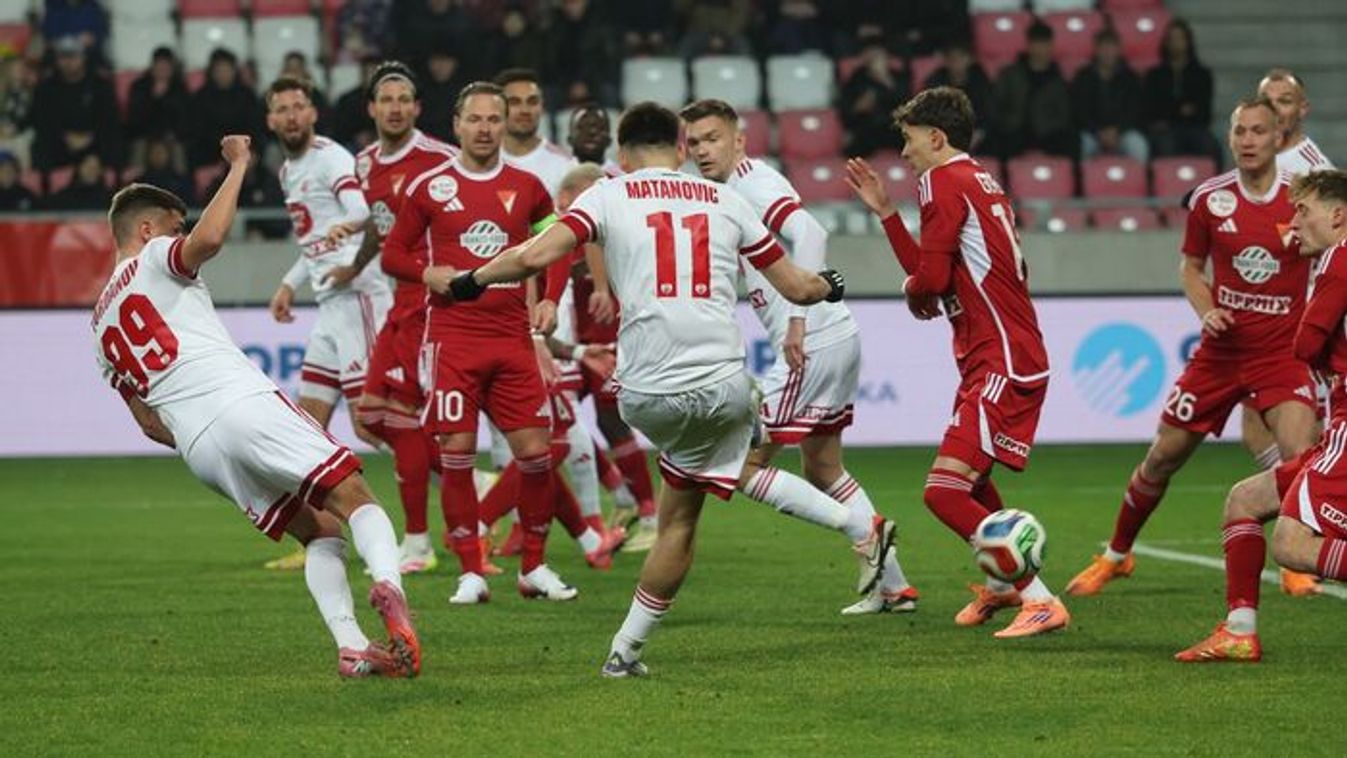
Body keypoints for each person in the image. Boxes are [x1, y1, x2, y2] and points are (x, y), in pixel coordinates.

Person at [453, 102, 884, 677]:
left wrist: (472, 279)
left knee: (683, 508)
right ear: (681, 150)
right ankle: (859, 526)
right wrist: (831, 283)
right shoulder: (728, 200)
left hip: (647, 392)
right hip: (722, 383)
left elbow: (533, 256)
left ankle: (624, 653)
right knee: (713, 485)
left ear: (622, 154)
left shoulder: (607, 194)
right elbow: (799, 288)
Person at [91, 137, 420, 678]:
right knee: (355, 498)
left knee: (319, 531)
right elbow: (211, 239)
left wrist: (195, 431)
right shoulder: (153, 257)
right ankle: (389, 583)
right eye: (174, 227)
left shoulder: (98, 325)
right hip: (239, 402)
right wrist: (239, 165)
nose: (180, 234)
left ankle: (352, 646)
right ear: (146, 231)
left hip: (201, 450)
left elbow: (149, 424)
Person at [1065, 97, 1318, 597]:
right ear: (1230, 137)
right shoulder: (1210, 199)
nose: (1247, 140)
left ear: (1277, 138)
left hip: (1280, 355)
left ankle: (1292, 560)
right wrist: (1207, 312)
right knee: (1162, 457)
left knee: (1298, 459)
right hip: (1220, 354)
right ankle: (1116, 554)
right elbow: (1190, 268)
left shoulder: (1300, 200)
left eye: (1258, 131)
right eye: (1240, 131)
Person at [846, 86, 1069, 638]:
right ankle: (1003, 583)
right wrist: (889, 217)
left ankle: (1039, 598)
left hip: (1000, 359)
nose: (904, 153)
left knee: (943, 492)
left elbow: (930, 279)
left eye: (909, 140)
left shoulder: (941, 180)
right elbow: (936, 275)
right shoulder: (979, 179)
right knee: (971, 486)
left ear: (936, 137)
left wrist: (917, 290)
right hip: (1003, 353)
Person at [683, 98, 918, 614]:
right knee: (823, 467)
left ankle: (864, 531)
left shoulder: (753, 183)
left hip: (813, 339)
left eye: (712, 138)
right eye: (694, 142)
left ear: (739, 140)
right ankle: (894, 587)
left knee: (741, 464)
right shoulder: (725, 190)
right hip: (836, 334)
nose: (702, 150)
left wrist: (797, 319)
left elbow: (812, 232)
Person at [381, 81, 573, 604]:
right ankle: (471, 572)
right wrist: (427, 273)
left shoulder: (528, 186)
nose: (485, 128)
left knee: (536, 454)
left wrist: (551, 299)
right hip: (453, 340)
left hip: (512, 339)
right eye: (475, 119)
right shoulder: (429, 187)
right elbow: (393, 253)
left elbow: (559, 245)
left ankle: (534, 567)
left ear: (505, 124)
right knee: (458, 453)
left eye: (494, 119)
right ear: (457, 125)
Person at [1174, 169, 1347, 662]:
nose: (1293, 223)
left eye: (1303, 211)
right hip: (1337, 426)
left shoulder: (1339, 259)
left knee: (1292, 545)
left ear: (1337, 216)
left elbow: (1305, 344)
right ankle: (1239, 631)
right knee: (1244, 501)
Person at [320, 61, 459, 575]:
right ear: (372, 109)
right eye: (387, 100)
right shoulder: (363, 165)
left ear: (417, 108)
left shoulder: (441, 160)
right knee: (372, 415)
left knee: (403, 419)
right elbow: (380, 232)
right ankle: (467, 487)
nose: (396, 108)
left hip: (431, 303)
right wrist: (353, 266)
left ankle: (420, 541)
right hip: (398, 301)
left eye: (404, 99)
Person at [264, 76, 392, 569]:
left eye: (299, 106)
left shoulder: (331, 157)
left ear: (313, 113)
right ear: (271, 120)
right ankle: (320, 538)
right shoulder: (287, 171)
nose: (292, 115)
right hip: (329, 305)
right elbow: (313, 241)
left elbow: (362, 210)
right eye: (282, 109)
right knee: (306, 428)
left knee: (370, 423)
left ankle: (465, 483)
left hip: (359, 296)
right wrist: (288, 283)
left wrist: (348, 225)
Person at [31, 35, 121, 173]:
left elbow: (110, 118)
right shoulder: (46, 87)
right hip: (60, 142)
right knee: (41, 147)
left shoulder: (100, 85)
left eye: (73, 57)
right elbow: (42, 119)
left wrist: (90, 137)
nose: (68, 62)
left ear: (83, 57)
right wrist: (65, 137)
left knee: (115, 143)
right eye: (63, 57)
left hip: (94, 140)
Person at [992, 20, 1075, 160]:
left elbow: (1064, 114)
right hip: (1014, 131)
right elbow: (996, 105)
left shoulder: (1058, 80)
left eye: (1045, 44)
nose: (1040, 49)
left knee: (1070, 141)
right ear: (1029, 45)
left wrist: (1047, 125)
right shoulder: (1010, 74)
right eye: (1037, 44)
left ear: (1051, 46)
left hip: (1047, 134)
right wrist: (1007, 122)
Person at [1143, 18, 1219, 165]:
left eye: (1179, 38)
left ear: (1188, 42)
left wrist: (1170, 109)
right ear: (1165, 42)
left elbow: (1204, 111)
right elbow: (1152, 109)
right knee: (1165, 146)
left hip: (1195, 128)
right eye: (1171, 39)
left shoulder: (1202, 75)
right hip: (1166, 130)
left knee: (1210, 145)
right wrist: (1181, 110)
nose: (1175, 43)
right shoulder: (1154, 75)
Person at [1071, 28, 1148, 165]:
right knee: (1082, 144)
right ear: (1096, 50)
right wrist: (1098, 132)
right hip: (1092, 133)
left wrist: (1118, 131)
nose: (1107, 52)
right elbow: (1079, 111)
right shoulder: (1083, 77)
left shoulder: (1130, 77)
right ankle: (1082, 179)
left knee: (1138, 145)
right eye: (1103, 48)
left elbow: (1135, 110)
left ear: (1118, 50)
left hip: (1122, 132)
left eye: (1111, 48)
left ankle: (1140, 179)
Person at [186, 49, 264, 170]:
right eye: (219, 70)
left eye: (227, 70)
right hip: (210, 154)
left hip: (242, 151)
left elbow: (255, 128)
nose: (223, 74)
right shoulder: (201, 97)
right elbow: (197, 132)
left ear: (234, 71)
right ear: (212, 72)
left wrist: (253, 151)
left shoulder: (247, 96)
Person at [1258, 69, 1334, 177]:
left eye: (1284, 101)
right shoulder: (1249, 154)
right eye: (1265, 101)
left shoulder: (1316, 171)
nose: (1272, 109)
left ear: (1302, 109)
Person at [839, 43, 909, 158]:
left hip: (893, 126)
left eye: (879, 56)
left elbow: (907, 105)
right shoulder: (857, 78)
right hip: (868, 127)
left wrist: (885, 80)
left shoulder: (899, 76)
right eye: (871, 56)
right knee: (853, 147)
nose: (875, 60)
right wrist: (858, 108)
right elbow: (846, 108)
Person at [45, 151, 110, 210]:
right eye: (88, 166)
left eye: (96, 167)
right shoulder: (63, 198)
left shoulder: (109, 199)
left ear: (101, 170)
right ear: (79, 168)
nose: (92, 170)